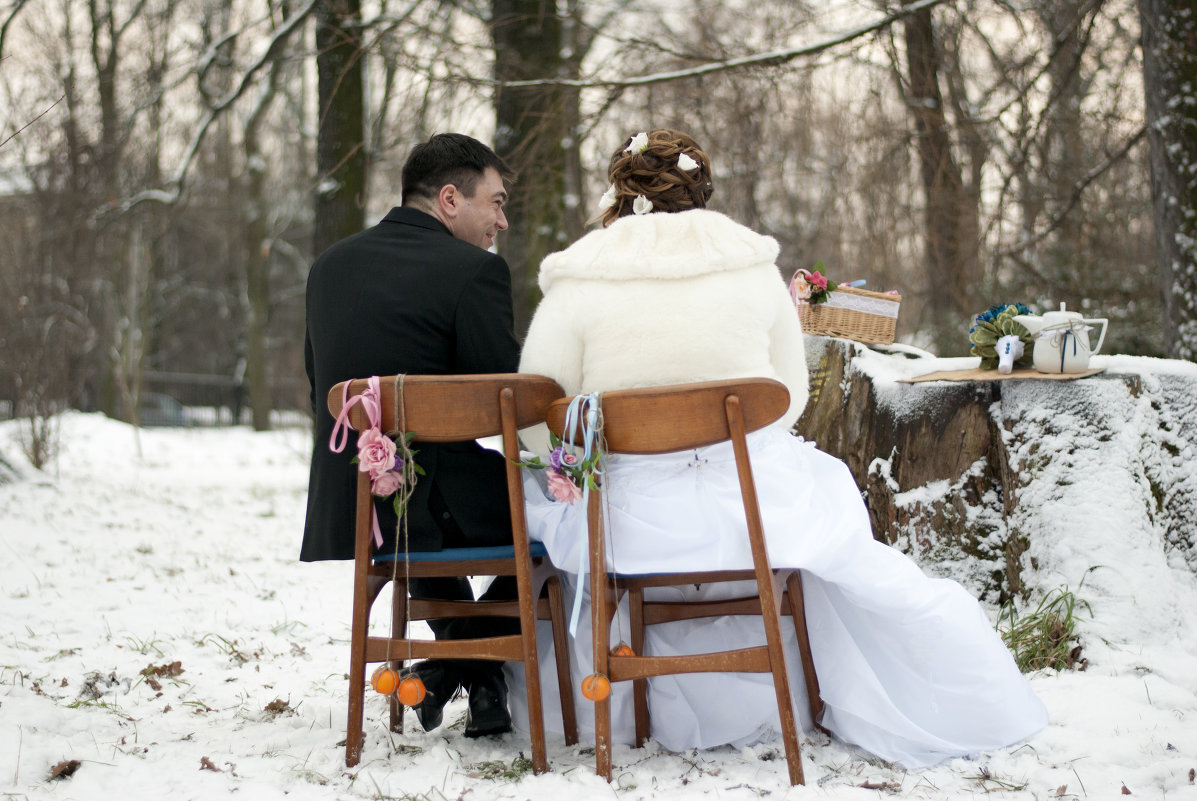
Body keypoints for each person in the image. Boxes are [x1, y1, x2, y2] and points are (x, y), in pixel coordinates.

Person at [510, 129, 1047, 767]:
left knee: (532, 493)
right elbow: (786, 398)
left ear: (621, 190)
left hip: (626, 525)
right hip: (751, 516)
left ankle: (611, 695)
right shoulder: (750, 273)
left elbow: (538, 418)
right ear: (699, 190)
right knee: (820, 488)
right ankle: (793, 687)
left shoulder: (579, 282)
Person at [302, 132, 520, 738]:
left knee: (409, 495)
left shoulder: (328, 267)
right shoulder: (476, 272)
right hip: (438, 505)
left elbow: (321, 383)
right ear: (450, 199)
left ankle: (463, 673)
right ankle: (471, 665)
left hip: (357, 503)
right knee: (578, 513)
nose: (501, 220)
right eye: (495, 203)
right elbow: (502, 402)